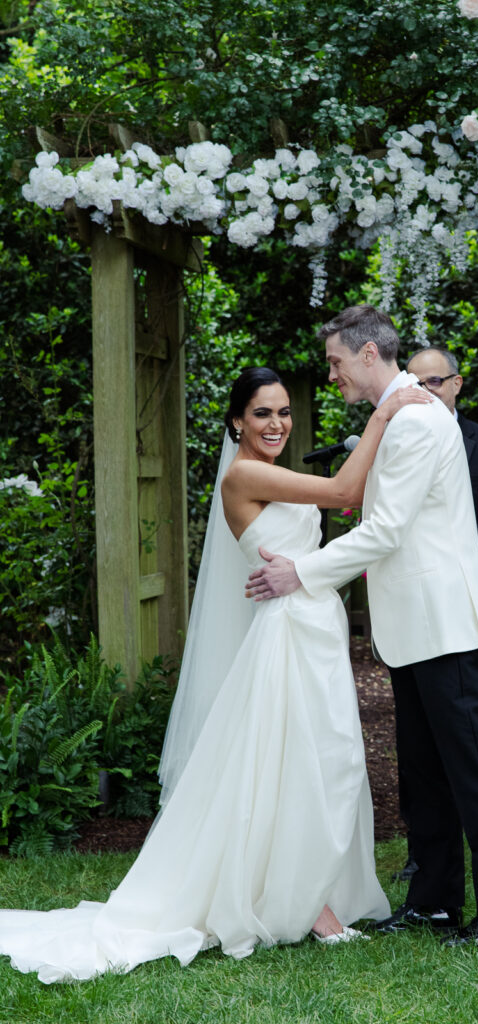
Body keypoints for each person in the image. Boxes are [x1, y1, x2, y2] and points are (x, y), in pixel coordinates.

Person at [0, 366, 429, 983]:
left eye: (284, 412)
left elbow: (338, 505)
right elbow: (343, 493)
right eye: (262, 413)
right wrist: (384, 414)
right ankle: (310, 907)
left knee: (327, 761)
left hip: (315, 623)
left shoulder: (273, 469)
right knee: (298, 763)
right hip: (286, 635)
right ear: (237, 422)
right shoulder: (244, 473)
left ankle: (311, 890)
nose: (277, 423)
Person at [246, 306, 478, 948]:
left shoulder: (413, 421)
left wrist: (303, 572)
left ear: (369, 355)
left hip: (443, 626)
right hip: (413, 627)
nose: (331, 375)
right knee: (427, 772)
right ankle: (434, 901)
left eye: (335, 362)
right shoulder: (400, 415)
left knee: (473, 770)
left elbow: (384, 530)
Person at [400, 347, 478, 876]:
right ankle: (424, 854)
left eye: (435, 382)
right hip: (421, 612)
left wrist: (447, 539)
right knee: (420, 735)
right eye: (417, 382)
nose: (425, 391)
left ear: (457, 384)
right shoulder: (398, 439)